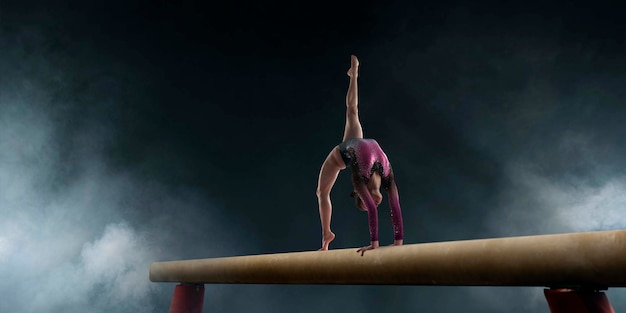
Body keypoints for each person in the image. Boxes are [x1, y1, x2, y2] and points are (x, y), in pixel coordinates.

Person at [316, 55, 404, 256]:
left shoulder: (360, 181)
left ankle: (326, 234)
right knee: (352, 111)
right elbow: (395, 205)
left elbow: (376, 210)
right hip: (359, 148)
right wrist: (397, 241)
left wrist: (375, 244)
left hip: (344, 153)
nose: (372, 204)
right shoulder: (386, 175)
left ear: (359, 194)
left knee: (322, 193)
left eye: (365, 203)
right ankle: (353, 74)